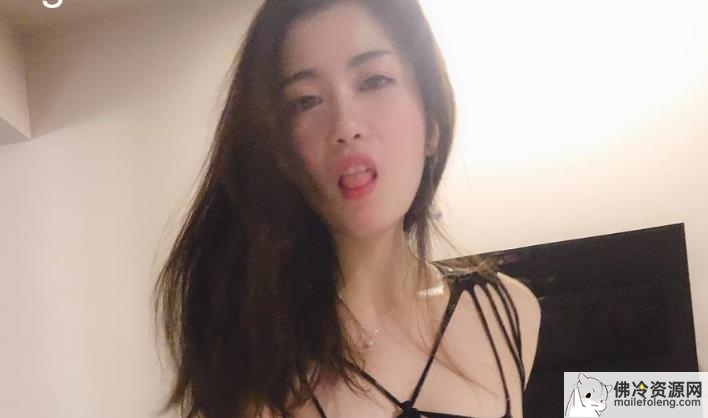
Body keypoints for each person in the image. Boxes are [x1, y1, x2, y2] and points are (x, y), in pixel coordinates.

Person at [153, 1, 541, 417]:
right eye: (305, 101)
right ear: (279, 151)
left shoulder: (512, 312)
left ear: (431, 124)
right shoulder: (257, 358)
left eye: (374, 80)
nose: (345, 126)